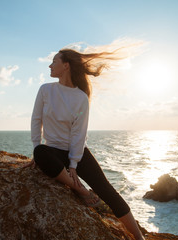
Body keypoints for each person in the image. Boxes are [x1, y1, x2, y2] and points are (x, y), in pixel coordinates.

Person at [25, 46, 145, 240]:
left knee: (107, 190)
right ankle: (79, 189)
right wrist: (36, 148)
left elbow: (78, 133)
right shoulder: (46, 90)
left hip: (76, 151)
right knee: (40, 152)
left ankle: (139, 237)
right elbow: (35, 120)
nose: (50, 65)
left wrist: (73, 164)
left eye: (54, 61)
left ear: (66, 65)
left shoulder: (80, 97)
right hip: (52, 150)